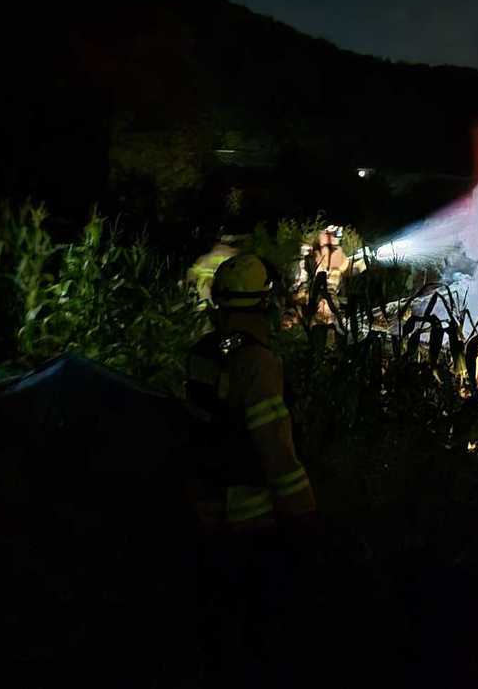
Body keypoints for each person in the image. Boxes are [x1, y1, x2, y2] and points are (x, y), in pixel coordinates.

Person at [183, 252, 319, 677]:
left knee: (215, 615)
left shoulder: (205, 351)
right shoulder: (258, 362)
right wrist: (306, 515)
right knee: (256, 626)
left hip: (203, 506)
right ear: (264, 303)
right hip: (250, 518)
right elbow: (274, 448)